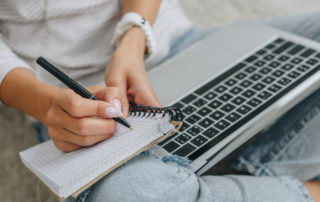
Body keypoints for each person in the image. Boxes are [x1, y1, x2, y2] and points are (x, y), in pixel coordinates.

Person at [0, 1, 319, 201]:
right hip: (75, 100)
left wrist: (134, 37)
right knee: (132, 195)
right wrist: (46, 105)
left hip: (175, 41)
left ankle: (244, 177)